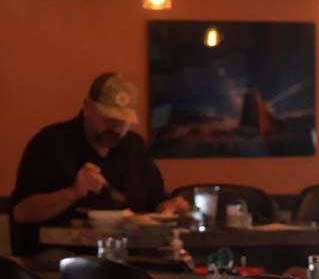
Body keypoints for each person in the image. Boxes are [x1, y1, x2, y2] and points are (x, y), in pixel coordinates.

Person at [10, 72, 187, 255]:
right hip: (60, 257)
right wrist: (73, 193)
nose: (116, 128)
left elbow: (156, 201)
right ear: (87, 108)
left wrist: (169, 209)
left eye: (123, 121)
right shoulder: (51, 143)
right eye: (108, 119)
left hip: (130, 255)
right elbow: (21, 213)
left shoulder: (133, 146)